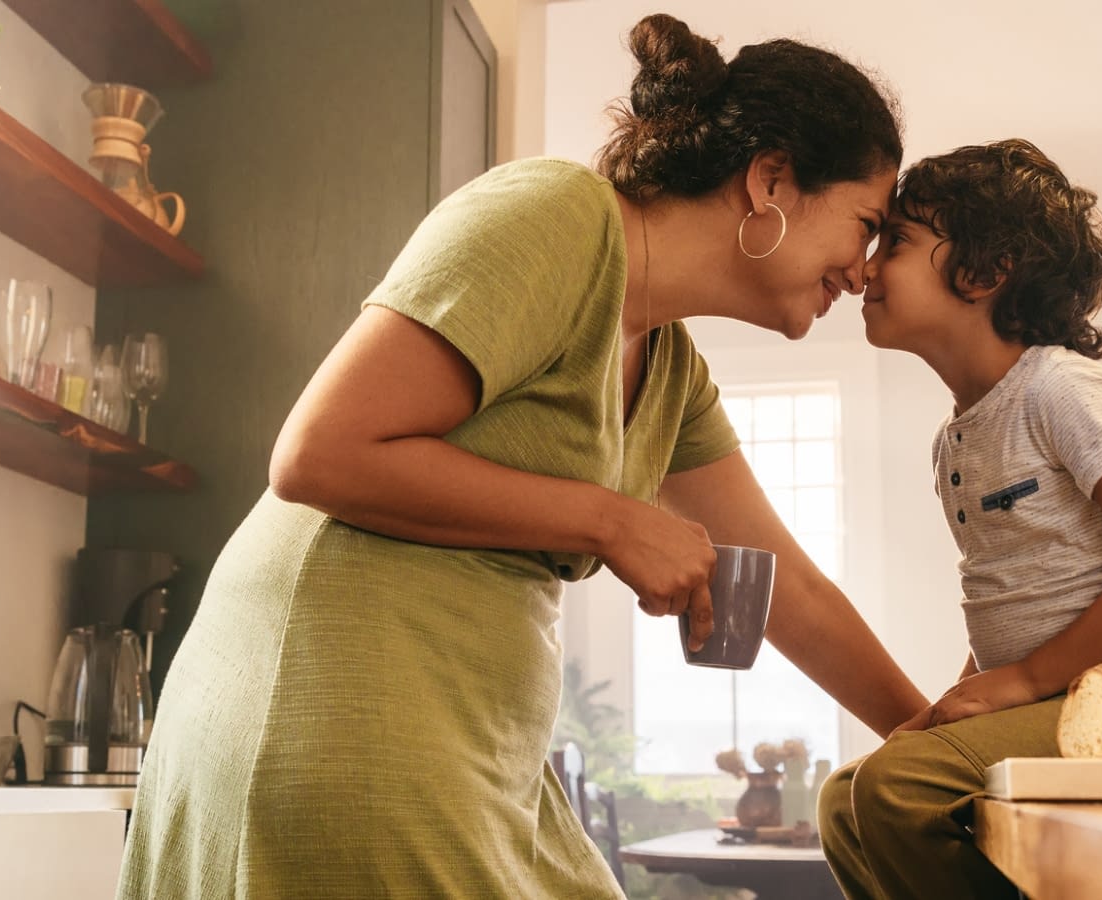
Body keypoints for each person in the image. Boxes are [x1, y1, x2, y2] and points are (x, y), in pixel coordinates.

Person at [116, 13, 928, 900]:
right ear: (771, 178)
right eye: (865, 223)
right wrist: (613, 521)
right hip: (334, 698)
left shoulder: (671, 369)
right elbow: (319, 454)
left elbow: (789, 587)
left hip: (476, 736)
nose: (863, 270)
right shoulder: (558, 217)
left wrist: (935, 745)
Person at [818, 139, 1102, 899]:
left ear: (984, 272)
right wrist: (966, 697)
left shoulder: (1062, 391)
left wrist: (1025, 679)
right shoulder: (955, 440)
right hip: (1057, 695)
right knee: (846, 799)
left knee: (899, 787)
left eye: (895, 242)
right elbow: (1015, 594)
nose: (865, 268)